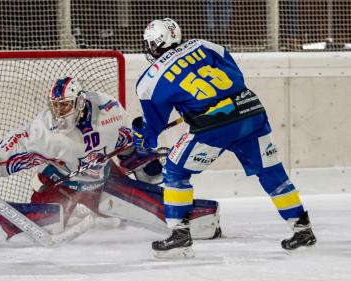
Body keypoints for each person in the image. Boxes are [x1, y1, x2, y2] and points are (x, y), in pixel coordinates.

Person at [0, 76, 221, 242]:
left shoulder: (108, 110)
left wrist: (145, 163)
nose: (58, 112)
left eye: (64, 105)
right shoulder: (42, 132)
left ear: (79, 103)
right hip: (58, 186)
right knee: (47, 222)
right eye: (55, 106)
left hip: (103, 181)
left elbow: (125, 143)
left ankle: (199, 220)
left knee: (153, 205)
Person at [133, 18, 316, 258]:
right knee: (271, 172)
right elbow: (235, 76)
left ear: (154, 45)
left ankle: (179, 235)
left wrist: (141, 136)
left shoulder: (149, 80)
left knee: (175, 172)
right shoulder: (203, 45)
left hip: (214, 125)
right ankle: (303, 230)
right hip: (251, 111)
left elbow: (152, 128)